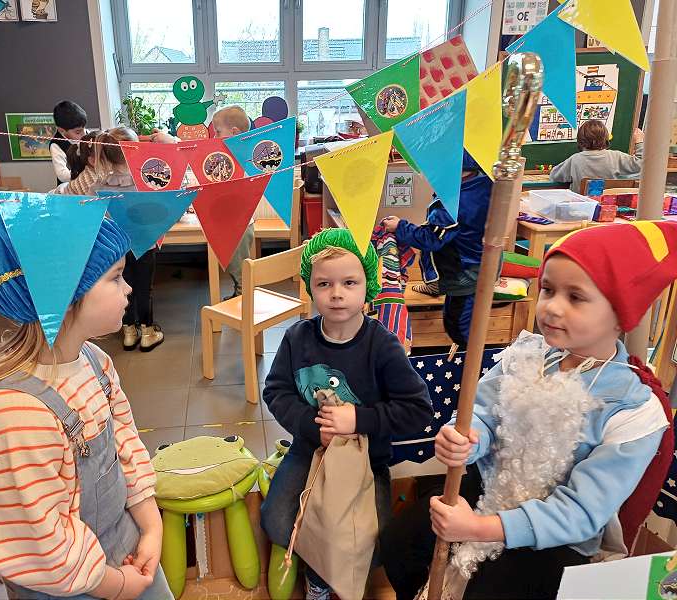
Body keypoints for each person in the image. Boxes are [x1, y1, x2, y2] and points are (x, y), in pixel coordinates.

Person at [380, 221, 677, 600]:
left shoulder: (632, 409)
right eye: (548, 290)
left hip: (554, 534)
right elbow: (482, 412)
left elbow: (581, 513)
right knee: (401, 542)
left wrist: (479, 528)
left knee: (490, 589)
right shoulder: (527, 355)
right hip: (488, 488)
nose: (551, 307)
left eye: (575, 297)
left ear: (620, 313)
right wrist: (466, 438)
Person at [0, 212, 174, 600]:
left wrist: (151, 526)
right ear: (65, 296)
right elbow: (39, 540)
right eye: (115, 277)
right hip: (69, 586)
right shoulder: (14, 416)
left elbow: (125, 445)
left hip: (126, 546)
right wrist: (116, 585)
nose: (129, 289)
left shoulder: (95, 363)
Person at [260, 228, 433, 600]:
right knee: (275, 521)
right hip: (309, 452)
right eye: (324, 283)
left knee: (374, 541)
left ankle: (325, 575)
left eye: (349, 282)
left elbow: (418, 409)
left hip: (367, 461)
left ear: (368, 285)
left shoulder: (382, 345)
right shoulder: (297, 338)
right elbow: (276, 391)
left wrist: (359, 420)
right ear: (310, 287)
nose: (337, 293)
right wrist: (312, 427)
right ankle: (318, 575)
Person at [57, 127, 177, 352]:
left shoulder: (98, 180)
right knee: (144, 288)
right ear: (135, 151)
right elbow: (178, 164)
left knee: (123, 286)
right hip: (144, 241)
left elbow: (75, 200)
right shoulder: (147, 176)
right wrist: (167, 141)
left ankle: (129, 332)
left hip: (116, 244)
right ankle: (148, 333)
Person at [382, 151, 493, 348]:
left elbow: (430, 239)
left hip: (464, 272)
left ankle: (470, 356)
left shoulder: (453, 203)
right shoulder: (482, 183)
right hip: (477, 263)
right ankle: (435, 287)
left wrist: (399, 226)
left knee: (457, 323)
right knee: (462, 312)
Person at [211, 105, 256, 299]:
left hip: (240, 225)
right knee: (232, 264)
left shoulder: (240, 154)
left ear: (234, 133)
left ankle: (244, 302)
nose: (214, 137)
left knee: (240, 269)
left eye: (218, 132)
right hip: (232, 222)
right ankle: (239, 295)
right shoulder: (227, 155)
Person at [550, 120, 644, 193]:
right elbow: (641, 164)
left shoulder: (575, 159)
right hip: (606, 207)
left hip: (581, 208)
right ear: (606, 138)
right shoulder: (616, 157)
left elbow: (554, 176)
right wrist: (639, 141)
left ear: (580, 139)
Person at [51, 100, 88, 185]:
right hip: (69, 187)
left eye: (84, 129)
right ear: (62, 130)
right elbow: (62, 175)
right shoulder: (56, 145)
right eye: (78, 132)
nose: (84, 134)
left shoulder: (87, 135)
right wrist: (85, 174)